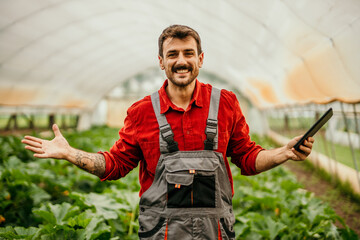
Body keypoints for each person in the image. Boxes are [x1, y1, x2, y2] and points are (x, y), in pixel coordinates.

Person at [22, 25, 314, 240]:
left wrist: (283, 152)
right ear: (161, 61)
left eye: (188, 53)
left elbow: (248, 158)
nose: (181, 61)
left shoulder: (225, 103)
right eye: (172, 54)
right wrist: (71, 153)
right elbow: (114, 165)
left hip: (216, 232)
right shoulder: (141, 112)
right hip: (160, 232)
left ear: (201, 58)